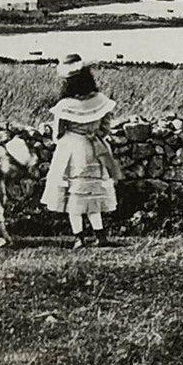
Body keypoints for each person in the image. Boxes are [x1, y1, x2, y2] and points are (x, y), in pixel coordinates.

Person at [42, 54, 122, 248]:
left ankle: (79, 238)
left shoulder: (65, 105)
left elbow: (58, 133)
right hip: (95, 148)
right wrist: (93, 133)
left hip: (72, 149)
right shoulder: (100, 100)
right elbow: (105, 128)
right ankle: (100, 236)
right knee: (92, 193)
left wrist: (68, 136)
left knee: (74, 195)